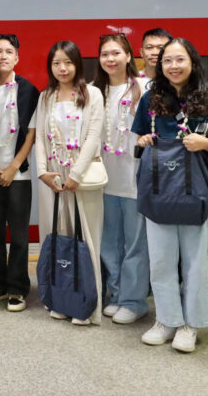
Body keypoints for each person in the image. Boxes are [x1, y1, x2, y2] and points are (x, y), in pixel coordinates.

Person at [131, 37, 208, 354]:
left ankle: (191, 324)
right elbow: (139, 139)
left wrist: (203, 144)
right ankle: (167, 320)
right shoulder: (150, 99)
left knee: (194, 262)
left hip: (196, 191)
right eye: (167, 61)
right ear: (160, 66)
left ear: (192, 62)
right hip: (159, 190)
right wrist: (145, 139)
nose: (174, 66)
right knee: (160, 260)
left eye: (180, 59)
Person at [33, 41, 105, 325]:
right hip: (52, 177)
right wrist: (42, 172)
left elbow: (92, 137)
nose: (62, 68)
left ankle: (87, 307)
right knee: (57, 239)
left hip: (81, 176)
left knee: (86, 240)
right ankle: (61, 299)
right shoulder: (46, 96)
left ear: (77, 64)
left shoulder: (93, 94)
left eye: (68, 62)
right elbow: (39, 137)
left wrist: (75, 173)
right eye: (56, 63)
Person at [94, 33, 149, 325]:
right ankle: (114, 295)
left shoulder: (144, 88)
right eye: (105, 54)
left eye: (116, 53)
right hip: (104, 181)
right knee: (109, 243)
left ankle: (134, 300)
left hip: (135, 181)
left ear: (129, 56)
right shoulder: (94, 92)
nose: (110, 59)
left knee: (135, 244)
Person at [0, 34, 38, 313]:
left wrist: (14, 165)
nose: (3, 56)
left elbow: (31, 132)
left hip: (18, 174)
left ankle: (17, 287)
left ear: (17, 57)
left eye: (8, 52)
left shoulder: (28, 89)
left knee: (18, 235)